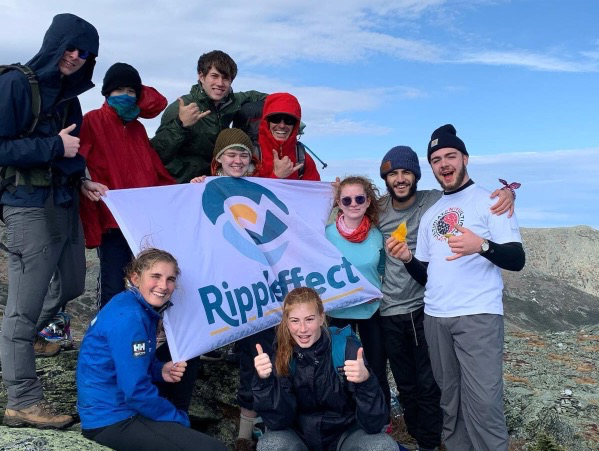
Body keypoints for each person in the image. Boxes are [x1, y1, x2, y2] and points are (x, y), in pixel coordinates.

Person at [387, 124, 525, 451]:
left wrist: (482, 246)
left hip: (477, 316)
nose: (444, 164)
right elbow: (428, 276)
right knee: (450, 402)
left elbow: (517, 259)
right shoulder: (432, 212)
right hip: (435, 318)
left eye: (450, 156)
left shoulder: (491, 201)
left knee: (484, 404)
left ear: (465, 158)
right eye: (436, 160)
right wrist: (408, 259)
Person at [0, 13, 104, 428]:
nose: (75, 57)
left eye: (85, 53)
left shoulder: (69, 94)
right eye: (70, 47)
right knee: (22, 309)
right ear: (53, 44)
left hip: (63, 200)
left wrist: (82, 179)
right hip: (26, 204)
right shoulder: (15, 83)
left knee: (73, 283)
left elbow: (70, 151)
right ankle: (22, 399)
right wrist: (52, 147)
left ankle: (19, 343)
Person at [76, 248, 227, 451]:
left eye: (170, 279)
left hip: (117, 409)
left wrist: (159, 369)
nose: (163, 286)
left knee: (188, 353)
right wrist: (176, 417)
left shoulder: (129, 302)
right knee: (214, 449)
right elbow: (135, 391)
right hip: (112, 419)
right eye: (155, 277)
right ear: (135, 278)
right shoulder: (131, 318)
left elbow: (128, 362)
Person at [191, 128, 275, 446]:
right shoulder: (204, 188)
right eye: (231, 154)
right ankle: (244, 434)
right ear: (218, 159)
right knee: (247, 355)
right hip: (225, 288)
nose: (238, 160)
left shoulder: (260, 188)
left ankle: (255, 429)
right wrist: (194, 189)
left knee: (261, 352)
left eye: (243, 154)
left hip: (258, 290)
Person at [78, 62, 175, 309]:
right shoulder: (91, 121)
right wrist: (84, 182)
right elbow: (77, 164)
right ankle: (108, 331)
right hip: (111, 222)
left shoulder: (138, 128)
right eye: (119, 90)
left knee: (149, 285)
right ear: (107, 92)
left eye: (131, 91)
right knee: (112, 287)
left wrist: (186, 191)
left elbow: (157, 172)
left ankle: (143, 329)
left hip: (142, 222)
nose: (126, 95)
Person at [252, 287, 397, 451]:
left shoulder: (347, 350)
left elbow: (374, 424)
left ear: (321, 318)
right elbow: (277, 422)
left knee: (381, 445)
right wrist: (264, 383)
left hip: (346, 436)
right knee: (271, 444)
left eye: (309, 319)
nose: (302, 329)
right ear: (286, 322)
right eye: (295, 321)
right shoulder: (281, 355)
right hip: (300, 437)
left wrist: (365, 382)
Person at [325, 176, 391, 426]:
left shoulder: (377, 235)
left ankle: (381, 420)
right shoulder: (326, 235)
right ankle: (344, 418)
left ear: (368, 201)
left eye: (359, 198)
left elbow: (382, 268)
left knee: (376, 367)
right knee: (338, 368)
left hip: (370, 311)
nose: (353, 204)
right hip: (338, 312)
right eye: (347, 200)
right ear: (338, 203)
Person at [151, 50, 266, 183]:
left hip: (212, 179)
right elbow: (158, 153)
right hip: (182, 182)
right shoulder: (182, 108)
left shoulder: (232, 102)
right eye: (214, 76)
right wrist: (180, 124)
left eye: (226, 78)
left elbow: (263, 97)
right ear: (201, 77)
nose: (220, 83)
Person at [255, 92, 320, 180]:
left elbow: (314, 188)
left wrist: (334, 188)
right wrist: (277, 176)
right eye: (275, 119)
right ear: (267, 121)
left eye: (289, 120)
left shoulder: (303, 159)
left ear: (295, 124)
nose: (282, 125)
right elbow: (241, 188)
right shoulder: (250, 155)